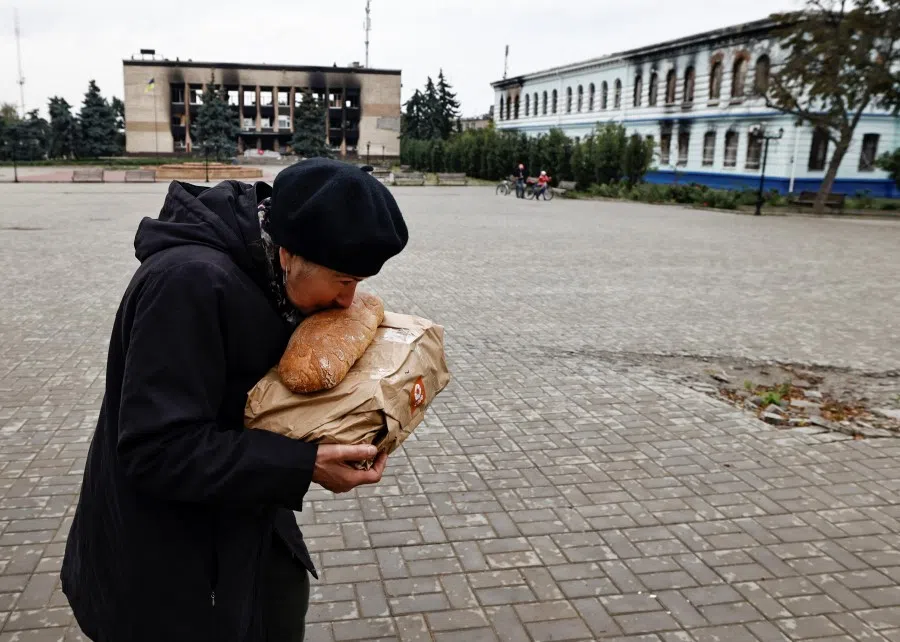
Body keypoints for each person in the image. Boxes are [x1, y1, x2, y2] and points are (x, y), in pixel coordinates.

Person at [61, 158, 408, 642]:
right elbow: (156, 451)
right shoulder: (188, 284)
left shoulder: (266, 272)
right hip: (165, 564)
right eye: (344, 282)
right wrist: (302, 463)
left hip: (243, 525)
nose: (349, 301)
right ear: (289, 254)